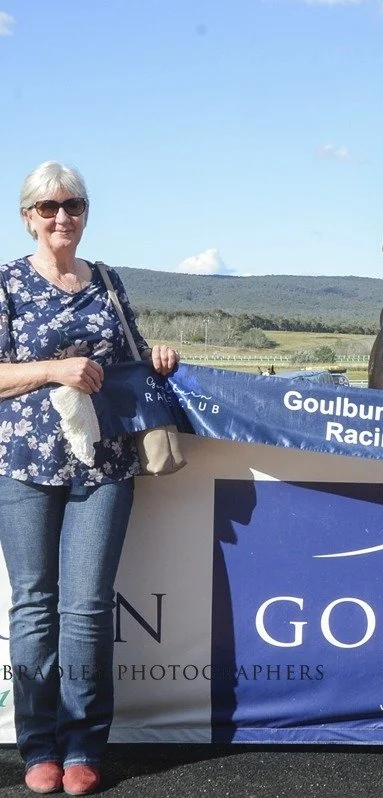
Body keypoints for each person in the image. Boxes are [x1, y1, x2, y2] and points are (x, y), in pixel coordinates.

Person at [0, 162, 179, 795]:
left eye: (72, 205)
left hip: (104, 465)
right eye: (48, 207)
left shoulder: (106, 281)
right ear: (28, 216)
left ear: (85, 212)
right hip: (25, 464)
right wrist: (54, 370)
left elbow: (129, 357)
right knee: (34, 605)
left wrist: (157, 356)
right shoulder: (7, 283)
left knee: (87, 608)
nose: (61, 217)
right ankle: (38, 745)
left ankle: (82, 745)